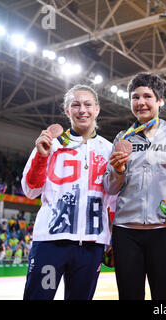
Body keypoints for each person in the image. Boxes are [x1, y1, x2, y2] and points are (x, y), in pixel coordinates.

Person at [103, 72, 166, 300]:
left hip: (164, 231)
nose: (141, 102)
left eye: (147, 96)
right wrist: (118, 171)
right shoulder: (122, 138)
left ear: (160, 101)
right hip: (126, 232)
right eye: (135, 97)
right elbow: (109, 188)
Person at [21, 84, 114, 300]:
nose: (82, 110)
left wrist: (114, 239)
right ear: (67, 111)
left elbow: (115, 200)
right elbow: (31, 190)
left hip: (91, 245)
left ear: (97, 109)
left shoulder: (108, 149)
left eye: (88, 104)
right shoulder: (50, 145)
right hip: (51, 243)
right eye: (76, 105)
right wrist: (41, 157)